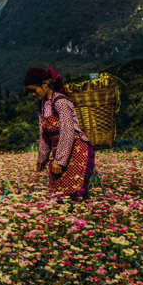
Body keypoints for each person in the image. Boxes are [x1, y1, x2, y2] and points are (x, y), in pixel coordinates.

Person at [24, 67, 95, 199]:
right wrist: (42, 159)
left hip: (77, 151)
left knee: (75, 192)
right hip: (60, 152)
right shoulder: (42, 105)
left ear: (45, 84)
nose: (33, 94)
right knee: (58, 195)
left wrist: (60, 161)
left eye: (34, 90)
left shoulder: (61, 102)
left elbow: (67, 131)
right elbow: (44, 135)